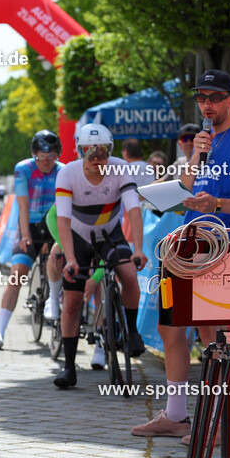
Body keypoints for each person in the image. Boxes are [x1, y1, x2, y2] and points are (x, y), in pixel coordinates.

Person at [133, 69, 230, 440]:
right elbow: (189, 184)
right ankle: (175, 414)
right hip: (187, 247)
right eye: (202, 97)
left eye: (215, 97)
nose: (207, 104)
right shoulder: (204, 140)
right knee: (170, 327)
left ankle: (223, 421)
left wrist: (217, 203)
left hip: (223, 250)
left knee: (215, 337)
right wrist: (195, 157)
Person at [53, 123, 147, 387]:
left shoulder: (120, 168)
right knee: (72, 303)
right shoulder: (68, 174)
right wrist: (70, 259)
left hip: (110, 234)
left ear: (111, 151)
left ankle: (132, 332)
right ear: (80, 151)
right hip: (78, 237)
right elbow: (63, 220)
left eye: (103, 151)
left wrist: (138, 248)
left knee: (129, 274)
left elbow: (133, 211)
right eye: (90, 152)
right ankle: (69, 367)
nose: (97, 158)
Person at [0, 130, 64, 350]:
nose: (46, 163)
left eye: (51, 158)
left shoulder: (64, 171)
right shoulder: (24, 169)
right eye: (42, 158)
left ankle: (54, 300)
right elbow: (22, 205)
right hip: (29, 224)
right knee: (17, 273)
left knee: (60, 264)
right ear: (34, 155)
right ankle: (0, 329)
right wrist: (24, 236)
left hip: (54, 225)